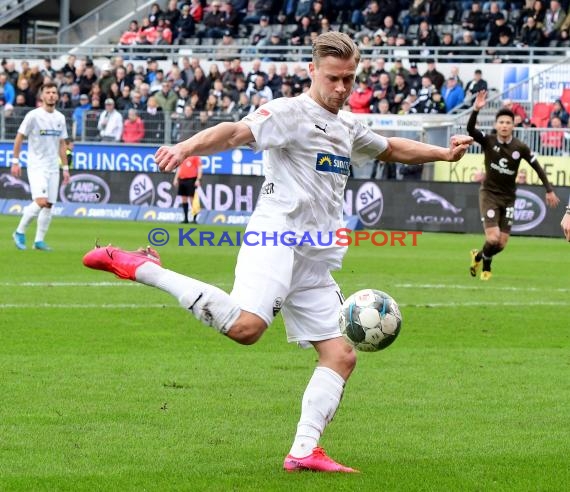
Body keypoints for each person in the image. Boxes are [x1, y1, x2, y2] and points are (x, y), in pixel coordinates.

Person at [82, 32, 472, 473]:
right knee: (247, 329)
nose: (341, 88)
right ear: (312, 72)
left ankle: (304, 451)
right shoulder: (290, 113)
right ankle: (144, 268)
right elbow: (234, 132)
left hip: (317, 257)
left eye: (349, 79)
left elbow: (391, 148)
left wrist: (442, 152)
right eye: (333, 79)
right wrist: (187, 146)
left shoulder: (347, 126)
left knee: (341, 355)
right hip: (277, 237)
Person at [467, 90, 560, 281]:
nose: (504, 125)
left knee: (501, 243)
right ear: (496, 125)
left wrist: (549, 190)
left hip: (509, 198)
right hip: (489, 195)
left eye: (508, 122)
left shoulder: (520, 147)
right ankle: (486, 265)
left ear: (513, 125)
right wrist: (476, 110)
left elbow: (537, 167)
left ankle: (478, 256)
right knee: (493, 238)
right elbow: (471, 131)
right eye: (501, 122)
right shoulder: (488, 140)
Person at [11, 83, 70, 251]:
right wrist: (15, 161)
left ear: (57, 96)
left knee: (49, 204)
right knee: (40, 201)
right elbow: (19, 137)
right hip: (37, 165)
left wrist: (65, 168)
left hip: (53, 167)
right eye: (48, 92)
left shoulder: (60, 118)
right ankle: (19, 231)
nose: (51, 95)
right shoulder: (33, 116)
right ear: (42, 96)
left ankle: (38, 241)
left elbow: (62, 144)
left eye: (54, 92)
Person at [173, 154, 202, 224]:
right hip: (182, 179)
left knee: (192, 199)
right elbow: (179, 168)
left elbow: (200, 168)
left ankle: (194, 219)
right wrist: (176, 178)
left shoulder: (195, 156)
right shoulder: (183, 156)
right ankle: (186, 218)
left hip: (191, 179)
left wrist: (198, 179)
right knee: (184, 199)